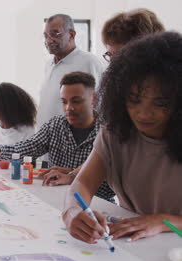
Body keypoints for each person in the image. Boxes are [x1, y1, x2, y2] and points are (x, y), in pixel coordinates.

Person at [62, 32, 182, 244]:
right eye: (134, 100)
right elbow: (82, 184)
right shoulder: (114, 133)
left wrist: (164, 221)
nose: (144, 114)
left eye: (161, 103)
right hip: (134, 247)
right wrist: (72, 211)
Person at [0, 72, 115, 202]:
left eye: (76, 101)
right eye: (64, 102)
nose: (69, 108)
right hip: (56, 198)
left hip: (97, 204)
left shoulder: (109, 132)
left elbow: (110, 186)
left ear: (94, 98)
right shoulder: (55, 125)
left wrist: (73, 175)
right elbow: (28, 148)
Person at [37, 14, 105, 128]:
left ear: (71, 35)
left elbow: (100, 105)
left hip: (72, 140)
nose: (49, 40)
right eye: (46, 36)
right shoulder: (49, 65)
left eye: (54, 34)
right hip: (45, 138)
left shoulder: (89, 62)